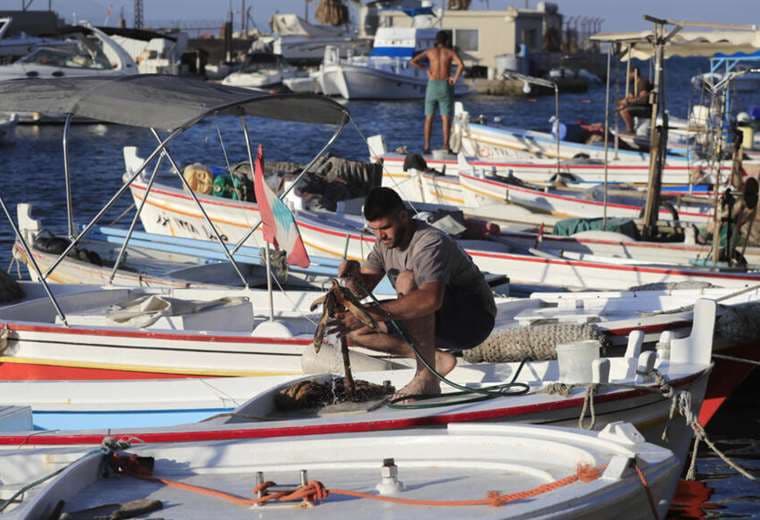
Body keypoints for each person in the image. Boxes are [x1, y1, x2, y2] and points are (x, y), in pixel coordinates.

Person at [331, 187, 496, 398]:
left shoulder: (430, 242)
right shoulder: (383, 245)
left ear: (403, 216)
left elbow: (430, 299)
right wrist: (352, 278)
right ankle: (436, 359)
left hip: (473, 319)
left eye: (385, 227)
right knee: (355, 332)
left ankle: (427, 378)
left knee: (407, 279)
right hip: (438, 316)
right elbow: (362, 288)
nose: (380, 236)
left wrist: (369, 313)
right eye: (374, 230)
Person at [410, 30, 465, 155]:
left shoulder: (430, 52)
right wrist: (454, 78)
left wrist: (426, 70)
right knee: (445, 118)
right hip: (445, 84)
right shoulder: (450, 52)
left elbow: (413, 61)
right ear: (446, 41)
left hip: (432, 85)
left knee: (429, 117)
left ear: (436, 41)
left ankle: (426, 146)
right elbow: (461, 65)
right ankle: (446, 146)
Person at [617, 67, 653, 133]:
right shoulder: (635, 83)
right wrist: (622, 102)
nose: (627, 76)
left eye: (628, 74)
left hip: (647, 108)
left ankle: (630, 130)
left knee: (624, 111)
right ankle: (630, 128)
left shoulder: (643, 82)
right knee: (621, 108)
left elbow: (643, 99)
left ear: (634, 73)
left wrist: (628, 101)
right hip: (641, 106)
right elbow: (630, 96)